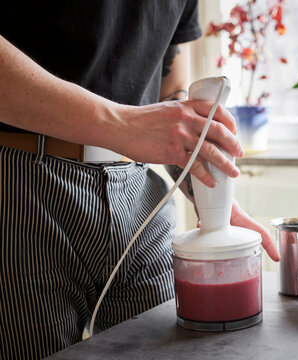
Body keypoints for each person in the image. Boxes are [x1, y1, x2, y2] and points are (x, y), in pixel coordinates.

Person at [0, 1, 280, 358]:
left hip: (142, 194)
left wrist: (208, 194)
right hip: (22, 184)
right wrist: (123, 123)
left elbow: (172, 87)